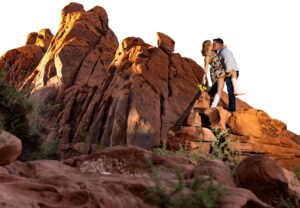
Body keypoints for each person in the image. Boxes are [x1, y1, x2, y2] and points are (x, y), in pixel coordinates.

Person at [212, 38, 244, 111]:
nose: (213, 45)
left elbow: (228, 61)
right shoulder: (221, 50)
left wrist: (227, 72)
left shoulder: (224, 51)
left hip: (230, 71)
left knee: (230, 90)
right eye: (213, 44)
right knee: (228, 89)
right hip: (229, 71)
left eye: (215, 44)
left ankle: (232, 108)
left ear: (220, 45)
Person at [201, 40, 225, 108]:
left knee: (217, 89)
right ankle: (213, 106)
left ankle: (212, 102)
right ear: (208, 46)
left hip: (221, 70)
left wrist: (223, 47)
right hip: (216, 72)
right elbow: (205, 69)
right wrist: (203, 81)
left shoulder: (215, 52)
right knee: (219, 89)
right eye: (211, 44)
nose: (212, 45)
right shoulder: (207, 56)